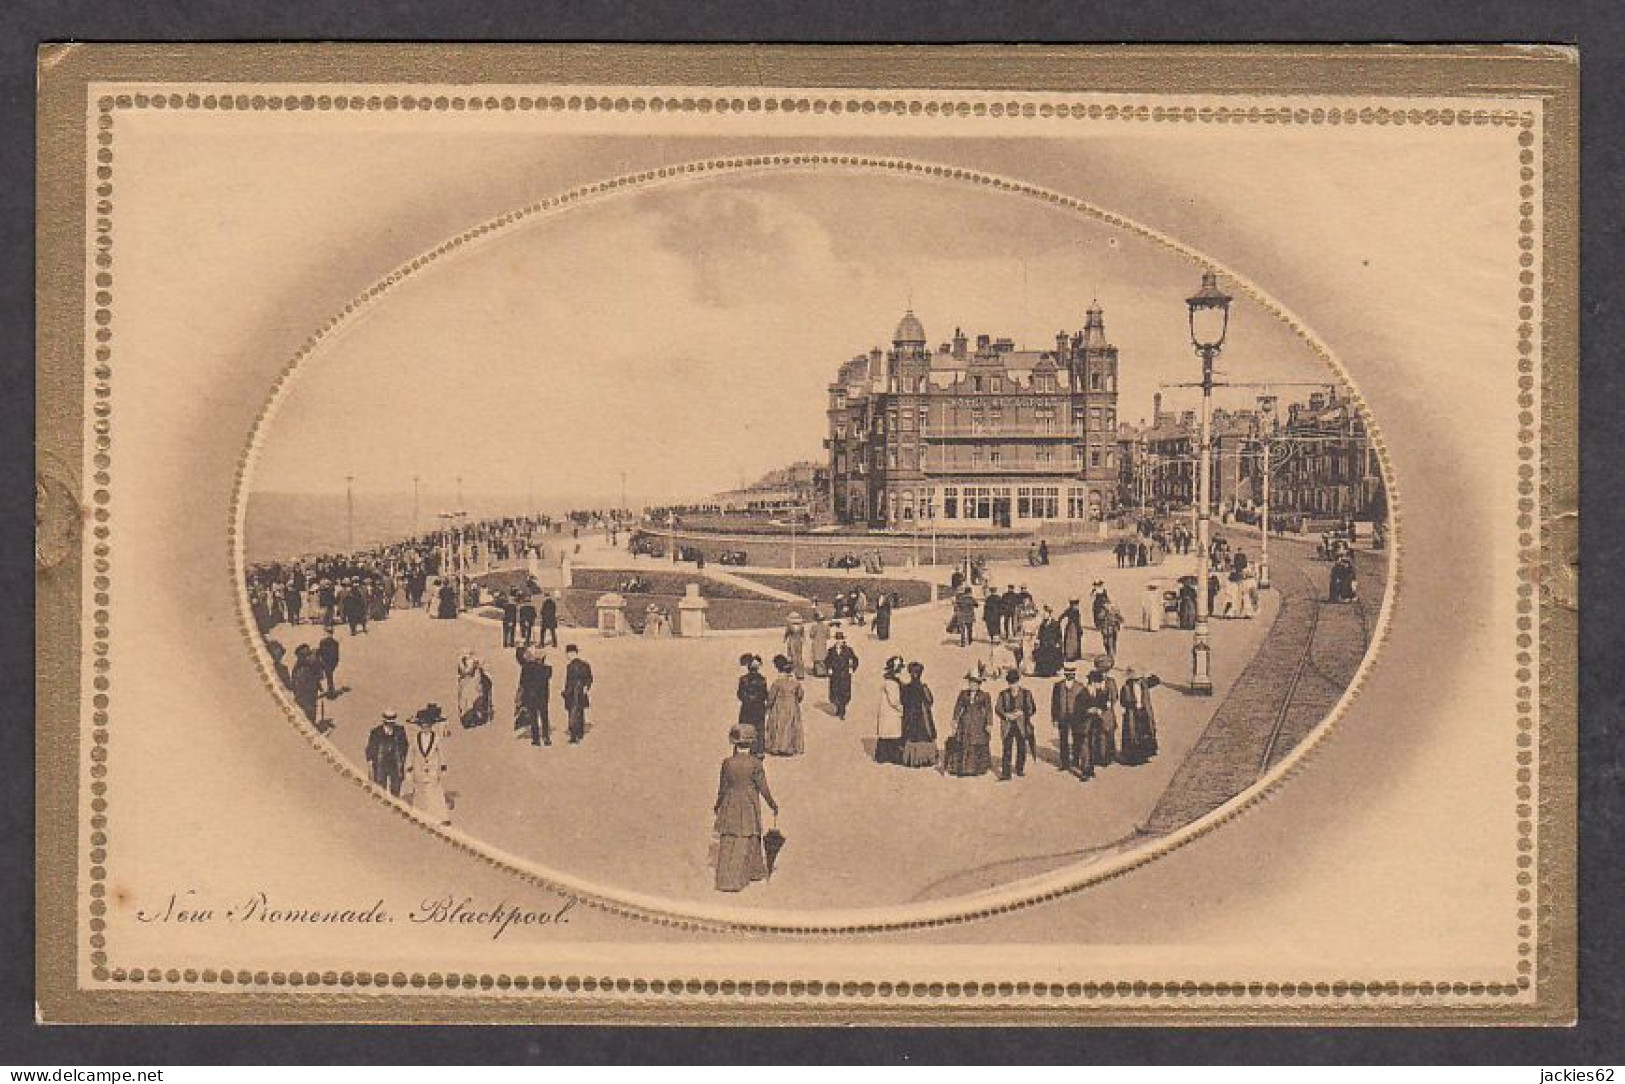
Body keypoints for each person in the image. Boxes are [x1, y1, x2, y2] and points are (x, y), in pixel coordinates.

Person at [713, 726, 779, 893]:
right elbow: (763, 788)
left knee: (728, 839)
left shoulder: (727, 763)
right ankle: (743, 877)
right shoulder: (755, 764)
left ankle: (723, 880)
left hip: (730, 802)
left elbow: (722, 788)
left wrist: (718, 804)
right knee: (747, 836)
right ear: (750, 744)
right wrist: (772, 804)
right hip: (748, 803)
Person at [407, 703, 452, 826]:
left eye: (428, 726)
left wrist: (443, 767)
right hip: (419, 769)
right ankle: (418, 816)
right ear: (420, 726)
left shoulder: (436, 738)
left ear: (431, 726)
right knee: (420, 793)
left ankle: (441, 817)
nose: (425, 728)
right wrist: (409, 769)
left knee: (435, 792)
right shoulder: (415, 739)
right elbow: (411, 754)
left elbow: (441, 753)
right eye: (423, 726)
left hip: (433, 769)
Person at [943, 670, 993, 777]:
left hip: (978, 723)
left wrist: (989, 723)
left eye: (975, 683)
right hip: (964, 722)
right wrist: (955, 719)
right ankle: (962, 768)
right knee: (962, 742)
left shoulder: (985, 695)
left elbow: (989, 710)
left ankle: (977, 769)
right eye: (971, 683)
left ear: (979, 684)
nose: (972, 685)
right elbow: (958, 707)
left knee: (977, 743)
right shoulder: (963, 694)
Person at [995, 669, 1037, 780]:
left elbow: (1032, 709)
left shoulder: (1026, 693)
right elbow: (998, 708)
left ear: (1018, 682)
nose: (1012, 685)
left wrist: (1022, 712)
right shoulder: (1003, 694)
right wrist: (1006, 715)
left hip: (1021, 725)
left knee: (1021, 748)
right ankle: (1006, 773)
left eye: (1014, 683)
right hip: (1008, 725)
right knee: (1007, 748)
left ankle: (1019, 769)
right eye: (1010, 683)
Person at [1050, 663, 1089, 777]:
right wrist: (1054, 718)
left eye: (1072, 673)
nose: (1070, 675)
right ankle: (1064, 763)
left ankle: (1075, 761)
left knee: (1076, 740)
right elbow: (1054, 703)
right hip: (1062, 717)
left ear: (1074, 674)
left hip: (1076, 718)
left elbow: (1084, 703)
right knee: (1063, 740)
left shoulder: (1080, 686)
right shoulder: (1058, 686)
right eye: (1067, 673)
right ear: (1065, 673)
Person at [764, 655, 805, 757]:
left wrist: (768, 706)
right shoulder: (795, 683)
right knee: (789, 726)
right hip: (792, 706)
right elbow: (800, 696)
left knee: (778, 725)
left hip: (779, 706)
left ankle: (776, 747)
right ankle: (788, 748)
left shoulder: (777, 682)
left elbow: (771, 697)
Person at [1118, 667, 1161, 765]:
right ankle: (1133, 759)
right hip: (1132, 714)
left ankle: (1144, 756)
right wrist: (1131, 704)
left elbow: (1156, 681)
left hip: (1143, 711)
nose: (1139, 681)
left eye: (1140, 678)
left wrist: (1149, 674)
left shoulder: (1144, 685)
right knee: (1133, 735)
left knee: (1145, 733)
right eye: (1137, 679)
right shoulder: (1126, 687)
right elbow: (1122, 701)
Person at [899, 661, 938, 768]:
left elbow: (903, 701)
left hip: (913, 715)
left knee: (914, 735)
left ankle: (913, 759)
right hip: (921, 715)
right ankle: (925, 759)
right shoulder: (923, 687)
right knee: (922, 735)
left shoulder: (907, 687)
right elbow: (930, 700)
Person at [514, 645, 553, 746]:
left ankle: (536, 739)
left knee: (533, 718)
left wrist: (519, 698)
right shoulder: (546, 669)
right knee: (544, 717)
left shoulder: (526, 668)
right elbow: (547, 676)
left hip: (530, 696)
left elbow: (522, 684)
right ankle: (546, 737)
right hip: (543, 696)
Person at [364, 708, 409, 796]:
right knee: (380, 788)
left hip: (395, 764)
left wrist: (402, 761)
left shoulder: (400, 731)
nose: (389, 724)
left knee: (396, 788)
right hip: (380, 764)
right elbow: (370, 749)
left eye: (391, 722)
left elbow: (405, 746)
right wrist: (370, 765)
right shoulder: (376, 732)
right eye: (387, 722)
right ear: (384, 721)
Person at [1084, 664, 1118, 770]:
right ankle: (1097, 757)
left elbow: (1113, 698)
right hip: (1095, 715)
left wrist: (1103, 708)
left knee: (1106, 734)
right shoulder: (1091, 687)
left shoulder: (1110, 682)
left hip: (1105, 714)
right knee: (1097, 735)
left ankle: (1106, 757)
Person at [874, 656, 906, 764]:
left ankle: (883, 756)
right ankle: (890, 757)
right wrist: (902, 709)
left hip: (888, 713)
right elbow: (894, 701)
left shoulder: (891, 681)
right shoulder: (892, 683)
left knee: (887, 734)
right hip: (891, 713)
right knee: (892, 735)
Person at [736, 653, 769, 755]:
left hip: (746, 707)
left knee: (745, 726)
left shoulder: (743, 679)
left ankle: (745, 747)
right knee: (759, 728)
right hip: (759, 707)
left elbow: (740, 694)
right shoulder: (763, 679)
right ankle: (759, 750)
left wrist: (748, 699)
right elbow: (764, 695)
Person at [562, 644, 594, 743]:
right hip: (582, 692)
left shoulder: (570, 666)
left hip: (572, 692)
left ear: (571, 653)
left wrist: (565, 693)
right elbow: (590, 678)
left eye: (567, 654)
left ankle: (573, 735)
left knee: (572, 713)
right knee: (580, 712)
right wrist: (586, 687)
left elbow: (569, 682)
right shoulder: (585, 665)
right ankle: (580, 733)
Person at [824, 632, 859, 719]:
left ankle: (842, 711)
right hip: (835, 676)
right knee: (835, 692)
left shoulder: (848, 650)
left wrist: (852, 669)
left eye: (841, 639)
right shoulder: (831, 650)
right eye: (837, 639)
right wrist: (829, 668)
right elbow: (827, 661)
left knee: (844, 693)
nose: (839, 641)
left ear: (843, 640)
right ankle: (838, 708)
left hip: (845, 675)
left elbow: (855, 660)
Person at [455, 648, 493, 729]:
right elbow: (464, 672)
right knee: (466, 701)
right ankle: (467, 718)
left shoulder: (476, 664)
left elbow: (479, 673)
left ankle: (476, 716)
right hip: (466, 685)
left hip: (474, 685)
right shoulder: (462, 662)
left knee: (475, 699)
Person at [290, 643, 324, 726]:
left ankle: (312, 724)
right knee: (308, 713)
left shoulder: (309, 665)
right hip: (304, 695)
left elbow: (317, 676)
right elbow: (297, 685)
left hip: (312, 692)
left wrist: (319, 686)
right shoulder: (299, 669)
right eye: (307, 655)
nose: (309, 657)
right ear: (301, 656)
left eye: (309, 654)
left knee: (312, 711)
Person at [1033, 607, 1064, 678]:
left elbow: (1059, 635)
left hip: (1051, 644)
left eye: (1045, 614)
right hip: (1043, 643)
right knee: (1042, 655)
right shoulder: (1043, 623)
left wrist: (1058, 643)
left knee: (1051, 656)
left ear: (1049, 614)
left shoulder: (1055, 623)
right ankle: (1043, 672)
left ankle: (1051, 671)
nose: (1044, 615)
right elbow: (1040, 633)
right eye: (1043, 614)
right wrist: (1038, 640)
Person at [316, 626, 341, 697]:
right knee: (328, 676)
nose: (329, 634)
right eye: (328, 633)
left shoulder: (327, 642)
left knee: (328, 676)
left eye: (330, 633)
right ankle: (329, 691)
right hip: (327, 662)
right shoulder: (333, 642)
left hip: (328, 662)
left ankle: (329, 691)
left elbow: (336, 654)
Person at [1097, 596, 1123, 662]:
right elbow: (1099, 619)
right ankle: (1109, 653)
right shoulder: (1102, 611)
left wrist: (1118, 622)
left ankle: (1112, 655)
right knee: (1106, 642)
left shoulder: (1114, 610)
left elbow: (1121, 619)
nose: (1106, 606)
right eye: (1104, 604)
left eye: (1106, 604)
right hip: (1105, 630)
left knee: (1112, 641)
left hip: (1113, 629)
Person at [783, 614, 808, 679]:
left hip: (792, 642)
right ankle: (800, 673)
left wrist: (784, 639)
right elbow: (802, 635)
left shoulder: (790, 626)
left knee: (793, 656)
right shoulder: (801, 627)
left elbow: (787, 633)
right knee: (799, 657)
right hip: (799, 642)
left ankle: (796, 672)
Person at [809, 608, 830, 677]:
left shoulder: (814, 627)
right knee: (823, 656)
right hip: (823, 642)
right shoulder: (826, 627)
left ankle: (818, 671)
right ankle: (823, 670)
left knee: (816, 656)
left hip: (816, 642)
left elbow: (811, 635)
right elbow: (828, 636)